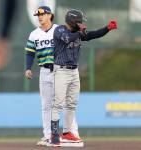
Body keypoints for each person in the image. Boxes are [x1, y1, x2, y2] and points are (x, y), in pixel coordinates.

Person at [51, 9, 117, 146]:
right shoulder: (59, 30)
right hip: (61, 70)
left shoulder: (77, 33)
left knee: (72, 103)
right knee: (58, 103)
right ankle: (54, 135)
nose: (81, 24)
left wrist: (107, 28)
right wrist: (80, 32)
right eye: (79, 21)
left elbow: (93, 35)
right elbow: (68, 38)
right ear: (72, 21)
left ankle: (67, 132)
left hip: (74, 72)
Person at [24, 6, 82, 147]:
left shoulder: (60, 29)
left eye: (42, 14)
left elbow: (72, 41)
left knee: (66, 103)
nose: (39, 17)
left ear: (50, 15)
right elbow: (30, 52)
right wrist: (28, 68)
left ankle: (72, 132)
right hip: (44, 71)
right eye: (38, 15)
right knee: (46, 105)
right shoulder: (34, 34)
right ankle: (48, 135)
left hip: (61, 70)